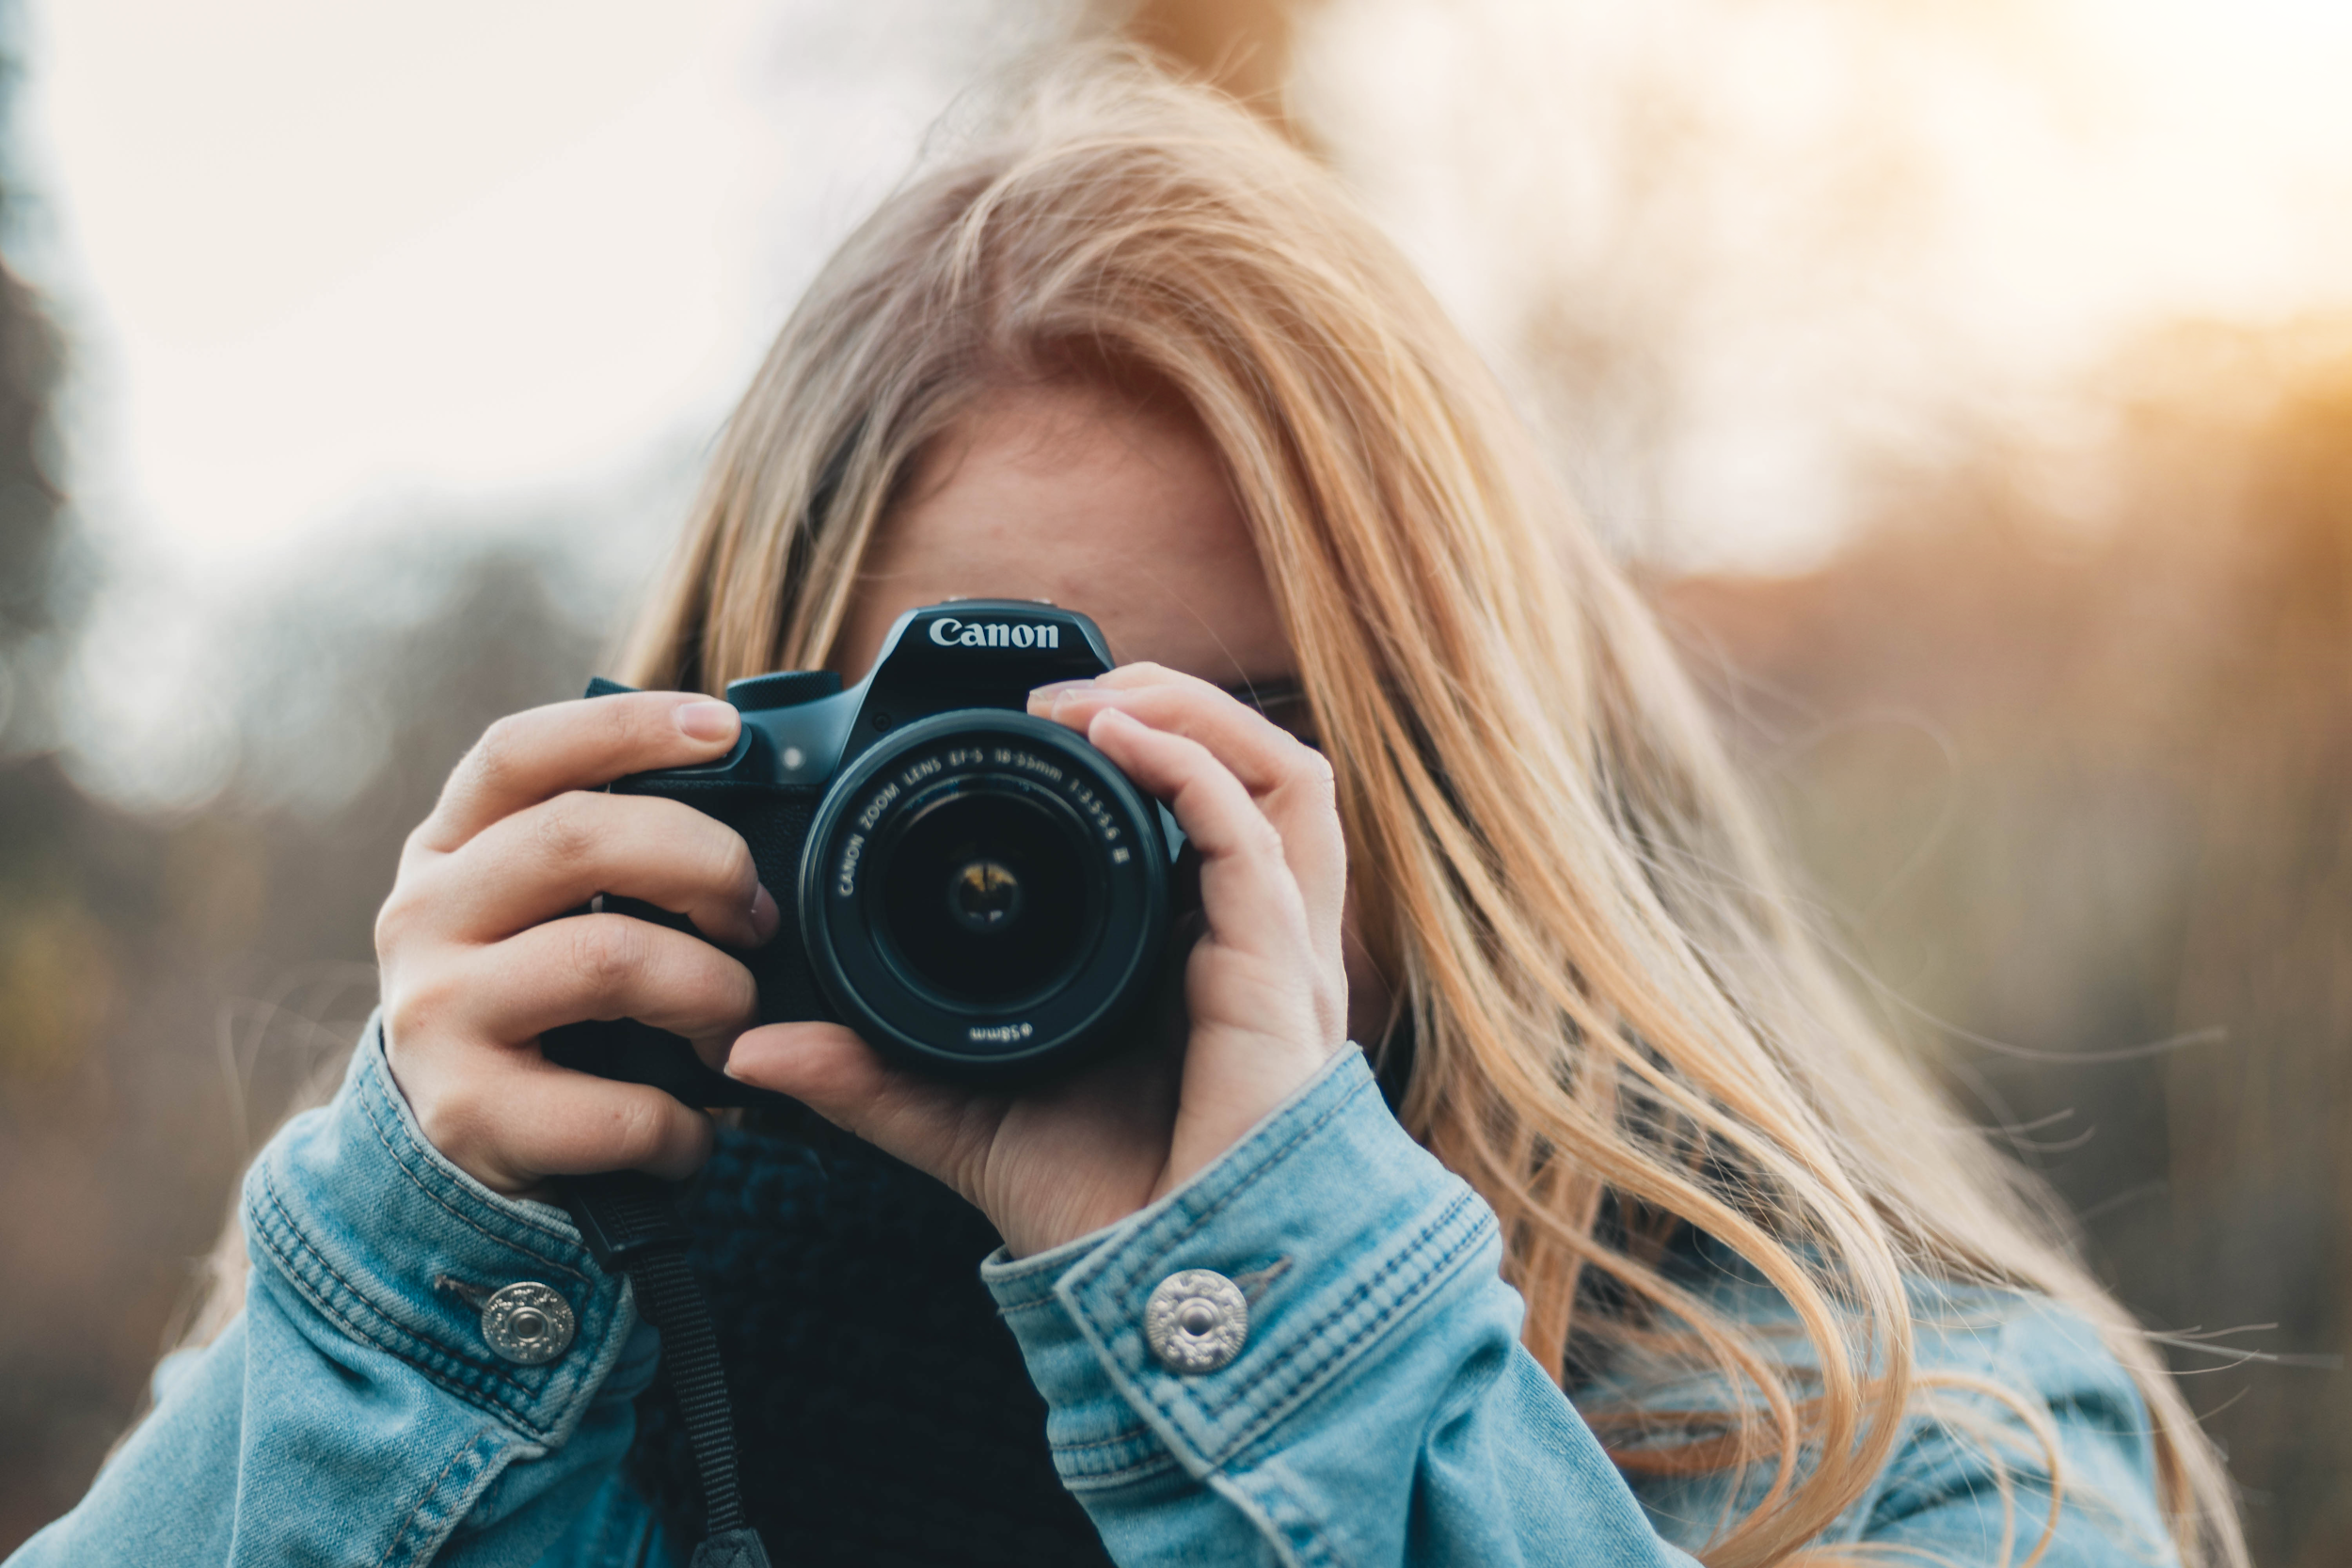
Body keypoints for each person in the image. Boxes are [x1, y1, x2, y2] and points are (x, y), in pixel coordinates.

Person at [12, 54, 2246, 1568]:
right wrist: (402, 1301)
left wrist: (1286, 1317)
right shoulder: (533, 1326)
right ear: (734, 761)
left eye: (1224, 748)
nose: (1053, 853)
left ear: (1464, 781)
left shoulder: (1893, 1433)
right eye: (953, 763)